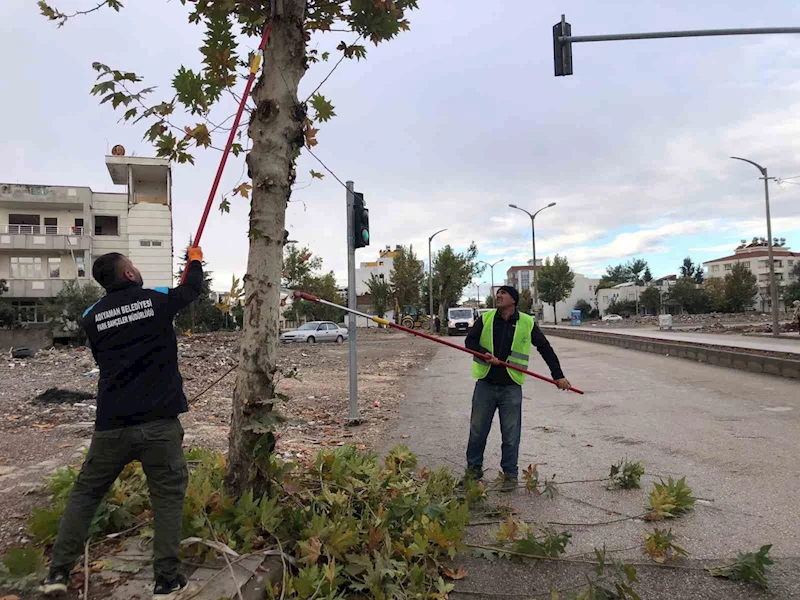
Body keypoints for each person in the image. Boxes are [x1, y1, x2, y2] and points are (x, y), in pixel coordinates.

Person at [41, 249, 204, 599]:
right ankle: (166, 579)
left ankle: (57, 572)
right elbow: (190, 291)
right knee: (166, 499)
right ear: (129, 275)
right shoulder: (155, 300)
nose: (138, 269)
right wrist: (195, 261)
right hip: (159, 424)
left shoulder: (91, 317)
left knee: (85, 494)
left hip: (112, 424)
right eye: (134, 265)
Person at [463, 285, 570, 492]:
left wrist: (558, 375)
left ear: (513, 299)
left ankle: (510, 475)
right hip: (485, 384)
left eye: (503, 293)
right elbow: (470, 341)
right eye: (497, 293)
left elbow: (544, 348)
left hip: (511, 386)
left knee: (511, 435)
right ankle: (473, 472)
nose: (498, 296)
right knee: (477, 432)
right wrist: (484, 353)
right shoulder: (485, 319)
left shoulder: (527, 322)